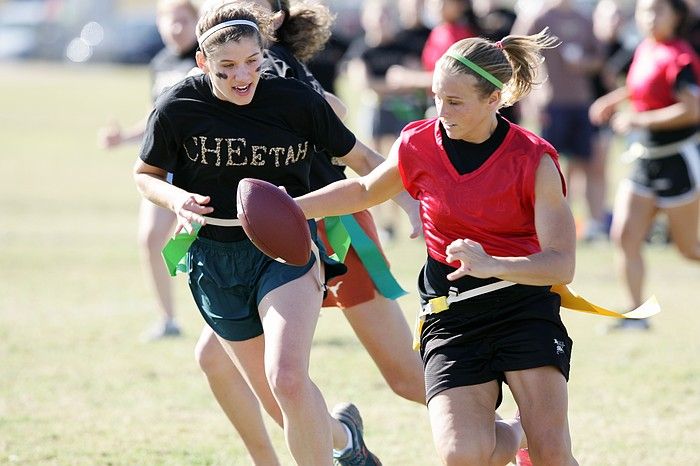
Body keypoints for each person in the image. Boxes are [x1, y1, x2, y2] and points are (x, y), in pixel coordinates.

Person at [133, 3, 405, 464]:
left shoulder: (293, 96)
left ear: (265, 48)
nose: (242, 76)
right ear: (202, 62)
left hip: (287, 250)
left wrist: (416, 203)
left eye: (252, 63)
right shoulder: (177, 105)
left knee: (288, 380)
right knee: (276, 397)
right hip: (214, 261)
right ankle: (344, 441)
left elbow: (361, 160)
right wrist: (177, 200)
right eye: (227, 68)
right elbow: (146, 174)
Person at [296, 29, 579, 466]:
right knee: (461, 455)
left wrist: (492, 263)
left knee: (553, 455)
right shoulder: (418, 143)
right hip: (452, 314)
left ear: (494, 100)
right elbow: (362, 191)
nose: (440, 111)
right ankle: (518, 433)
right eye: (436, 97)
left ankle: (534, 437)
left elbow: (561, 266)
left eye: (455, 102)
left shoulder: (534, 159)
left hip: (524, 309)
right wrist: (289, 208)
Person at [589, 0, 700, 331]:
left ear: (676, 17)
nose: (649, 18)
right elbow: (642, 87)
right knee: (624, 235)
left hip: (677, 161)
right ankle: (636, 316)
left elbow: (693, 109)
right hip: (643, 160)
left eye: (657, 11)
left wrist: (637, 119)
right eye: (644, 11)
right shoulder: (644, 48)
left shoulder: (681, 57)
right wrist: (613, 101)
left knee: (690, 250)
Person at [97, 0, 200, 340]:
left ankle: (233, 316)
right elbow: (154, 119)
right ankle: (168, 320)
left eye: (182, 21)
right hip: (163, 166)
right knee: (151, 239)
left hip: (198, 168)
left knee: (200, 244)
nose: (175, 28)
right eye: (168, 21)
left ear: (195, 22)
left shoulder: (207, 56)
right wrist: (124, 136)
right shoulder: (160, 63)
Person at [514, 0, 608, 242]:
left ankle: (592, 226)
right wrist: (532, 94)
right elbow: (516, 53)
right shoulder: (539, 18)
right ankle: (548, 224)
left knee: (584, 164)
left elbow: (598, 58)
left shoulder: (584, 20)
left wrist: (583, 64)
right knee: (549, 167)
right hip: (552, 104)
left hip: (580, 102)